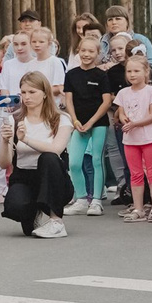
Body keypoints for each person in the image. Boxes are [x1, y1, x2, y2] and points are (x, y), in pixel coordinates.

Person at [0, 72, 73, 239]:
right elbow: (3, 163)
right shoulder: (14, 120)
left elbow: (56, 149)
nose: (27, 97)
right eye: (23, 92)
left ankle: (56, 221)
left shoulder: (61, 119)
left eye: (32, 92)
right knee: (16, 208)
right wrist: (5, 141)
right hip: (24, 177)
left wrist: (26, 139)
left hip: (54, 180)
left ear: (45, 93)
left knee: (48, 157)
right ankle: (34, 212)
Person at [60, 32, 115, 216]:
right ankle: (82, 199)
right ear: (78, 51)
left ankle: (97, 201)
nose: (86, 54)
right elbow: (68, 100)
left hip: (97, 123)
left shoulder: (101, 75)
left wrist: (91, 122)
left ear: (97, 53)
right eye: (83, 50)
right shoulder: (71, 74)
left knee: (96, 160)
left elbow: (106, 101)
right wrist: (75, 120)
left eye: (91, 51)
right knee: (74, 163)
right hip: (78, 124)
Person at [113, 52, 152, 222]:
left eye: (136, 71)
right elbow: (121, 113)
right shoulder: (123, 93)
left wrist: (135, 124)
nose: (132, 75)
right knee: (135, 174)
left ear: (146, 72)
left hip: (149, 138)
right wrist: (124, 119)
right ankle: (138, 208)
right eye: (129, 71)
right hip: (130, 140)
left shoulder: (151, 91)